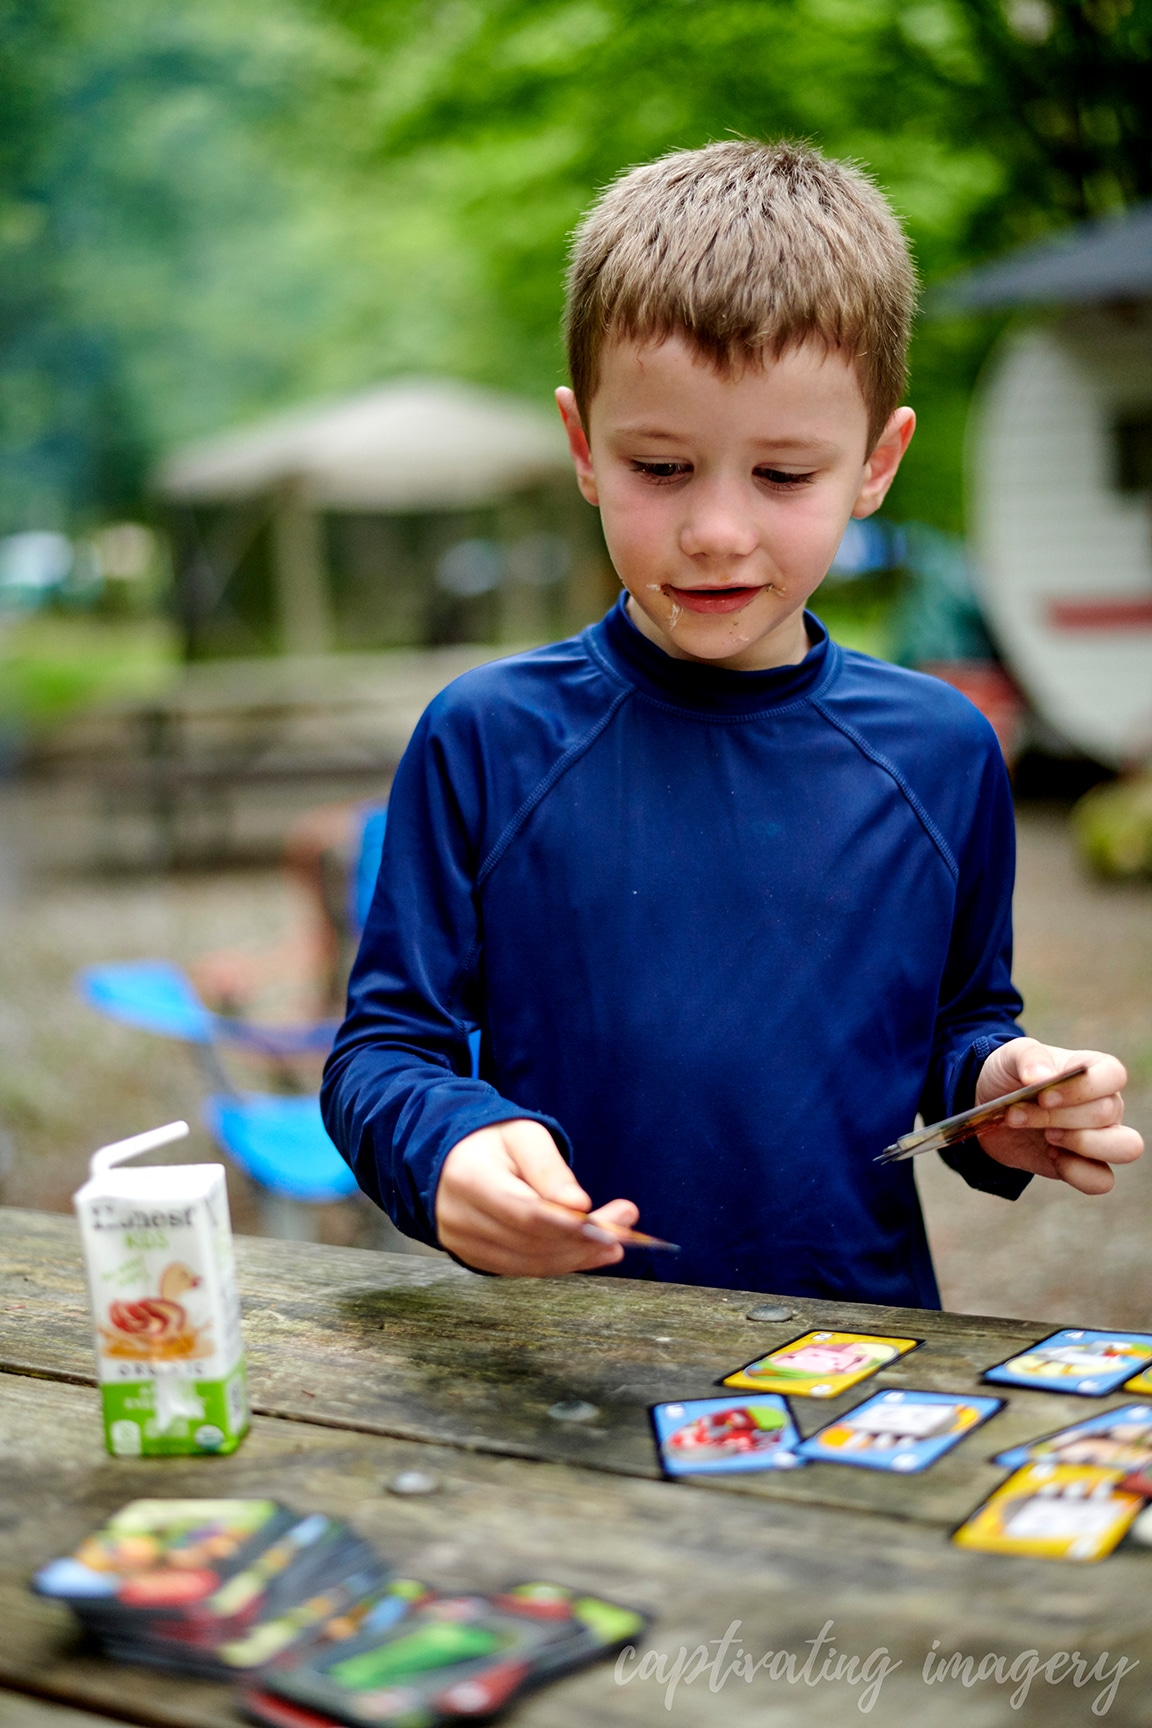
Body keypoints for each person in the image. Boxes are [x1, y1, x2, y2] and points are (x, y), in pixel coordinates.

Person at [321, 140, 1142, 1305]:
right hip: (563, 1360)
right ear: (581, 448)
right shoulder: (485, 740)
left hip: (853, 1360)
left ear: (876, 463)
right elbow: (382, 1055)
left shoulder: (942, 751)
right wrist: (446, 1144)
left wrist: (1003, 1093)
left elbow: (960, 1025)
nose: (715, 530)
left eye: (783, 476)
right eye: (661, 465)